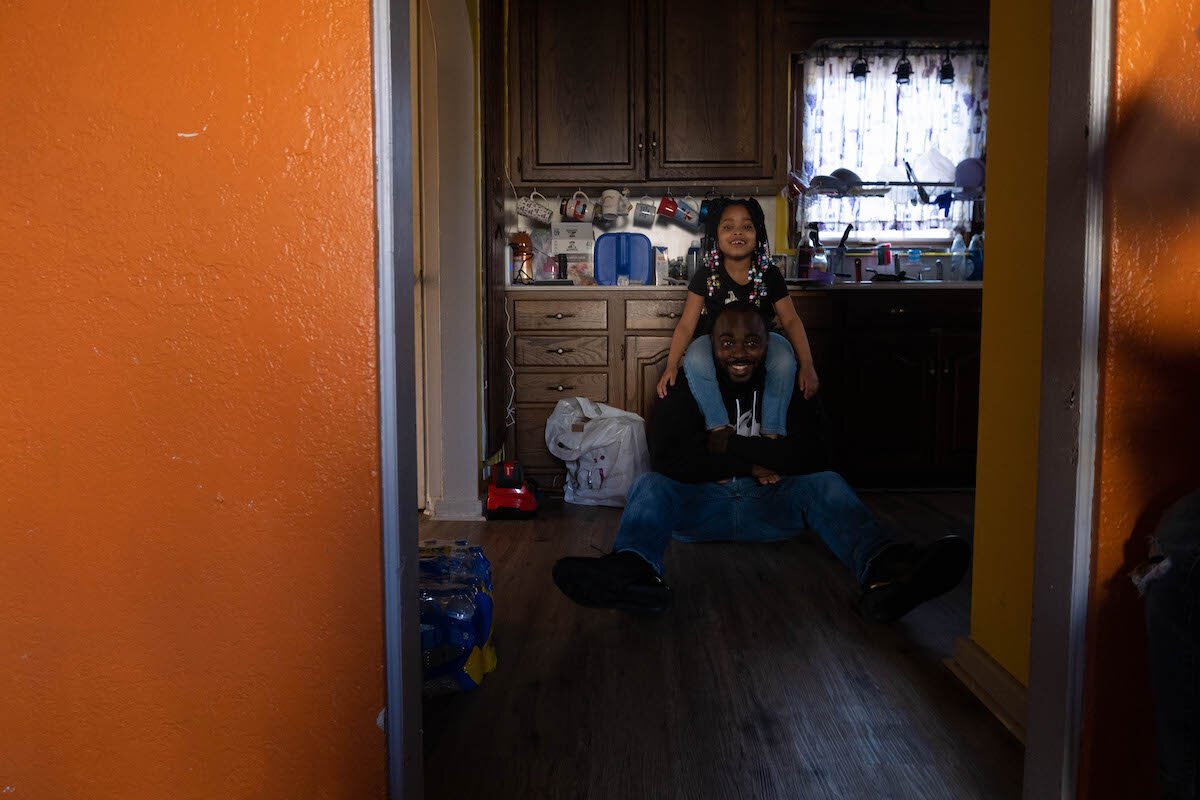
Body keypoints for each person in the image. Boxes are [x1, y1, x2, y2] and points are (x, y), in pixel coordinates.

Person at [553, 302, 970, 620]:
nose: (740, 353)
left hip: (773, 508)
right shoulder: (689, 384)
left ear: (768, 344)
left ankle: (888, 572)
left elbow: (815, 453)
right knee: (649, 486)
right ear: (709, 345)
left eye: (752, 343)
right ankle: (634, 573)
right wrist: (754, 464)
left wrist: (724, 448)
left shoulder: (788, 382)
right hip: (702, 511)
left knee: (825, 481)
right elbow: (670, 459)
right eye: (727, 342)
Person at [655, 198, 818, 437]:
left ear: (758, 234)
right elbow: (686, 324)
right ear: (716, 237)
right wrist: (671, 366)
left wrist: (808, 365)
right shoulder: (707, 275)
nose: (738, 232)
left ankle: (772, 433)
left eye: (747, 226)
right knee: (695, 357)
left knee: (783, 356)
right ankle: (719, 428)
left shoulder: (769, 274)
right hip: (715, 342)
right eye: (728, 227)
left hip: (760, 342)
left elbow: (791, 320)